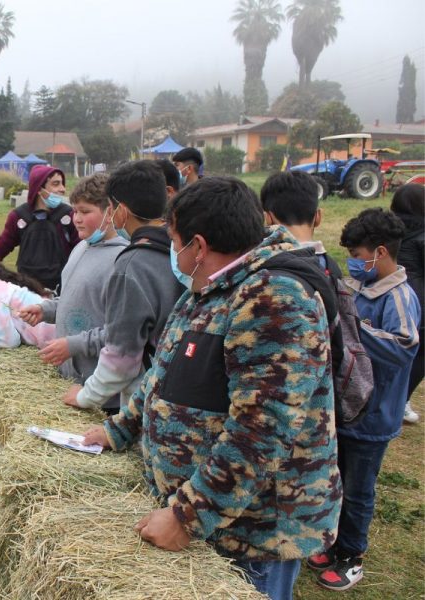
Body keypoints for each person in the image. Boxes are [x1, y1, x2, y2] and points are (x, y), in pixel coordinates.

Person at [84, 177, 340, 600]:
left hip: (254, 532)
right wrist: (120, 428)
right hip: (213, 518)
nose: (173, 250)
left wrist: (188, 515)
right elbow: (162, 372)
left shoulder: (274, 297)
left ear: (198, 245)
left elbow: (261, 429)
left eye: (174, 239)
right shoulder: (209, 287)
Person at [307, 208, 420, 592]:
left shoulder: (399, 297)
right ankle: (332, 541)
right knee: (336, 478)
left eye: (358, 255)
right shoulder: (358, 288)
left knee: (359, 489)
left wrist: (357, 329)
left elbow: (404, 347)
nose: (354, 263)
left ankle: (352, 555)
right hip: (345, 410)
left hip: (375, 415)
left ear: (381, 252)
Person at [53, 161, 181, 415]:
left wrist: (85, 396)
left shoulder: (132, 264)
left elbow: (122, 355)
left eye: (109, 208)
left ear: (119, 210)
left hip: (143, 403)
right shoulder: (179, 250)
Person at [18, 173, 128, 411]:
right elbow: (69, 299)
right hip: (70, 380)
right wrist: (44, 309)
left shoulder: (123, 261)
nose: (76, 218)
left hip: (101, 394)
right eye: (75, 211)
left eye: (85, 212)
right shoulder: (80, 247)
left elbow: (123, 332)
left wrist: (74, 344)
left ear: (110, 212)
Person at [0, 165, 78, 293]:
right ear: (39, 188)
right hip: (27, 289)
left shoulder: (69, 215)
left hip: (62, 288)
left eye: (62, 184)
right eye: (56, 184)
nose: (62, 189)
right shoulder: (19, 217)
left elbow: (81, 250)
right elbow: (0, 250)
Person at [389, 183, 424, 423]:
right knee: (419, 354)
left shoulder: (387, 229)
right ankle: (401, 401)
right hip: (419, 301)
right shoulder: (423, 234)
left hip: (387, 295)